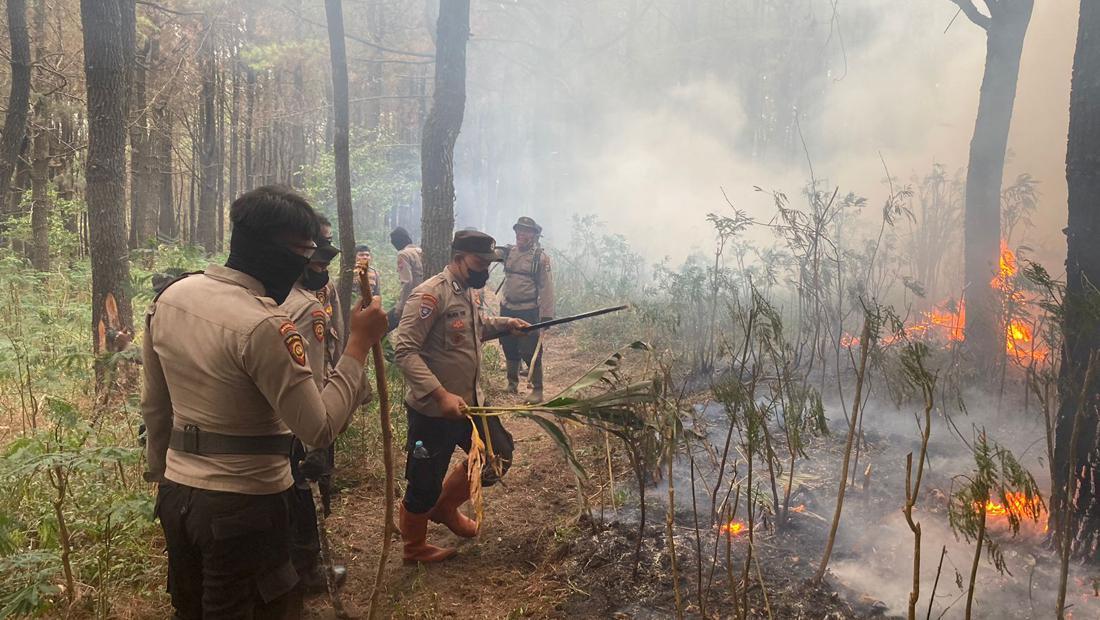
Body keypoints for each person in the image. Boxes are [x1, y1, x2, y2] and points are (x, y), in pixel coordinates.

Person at [141, 185, 388, 618]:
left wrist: (163, 474)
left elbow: (155, 405)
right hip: (245, 505)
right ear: (276, 249)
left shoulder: (173, 297)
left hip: (179, 498)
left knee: (193, 608)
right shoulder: (265, 325)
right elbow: (317, 428)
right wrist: (359, 346)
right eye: (304, 250)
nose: (309, 262)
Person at [392, 230, 529, 562]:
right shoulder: (430, 295)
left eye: (488, 265)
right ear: (457, 258)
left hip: (471, 404)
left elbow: (475, 328)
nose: (485, 270)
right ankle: (414, 548)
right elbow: (404, 350)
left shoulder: (469, 292)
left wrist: (504, 324)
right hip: (433, 411)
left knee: (498, 455)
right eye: (479, 263)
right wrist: (440, 395)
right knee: (424, 480)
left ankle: (445, 507)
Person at [280, 234, 347, 593]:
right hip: (301, 422)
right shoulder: (306, 307)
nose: (323, 272)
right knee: (302, 497)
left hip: (278, 420)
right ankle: (307, 573)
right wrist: (316, 441)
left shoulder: (272, 295)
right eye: (319, 265)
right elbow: (312, 373)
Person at [499, 216, 555, 404]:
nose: (520, 234)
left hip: (528, 310)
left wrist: (547, 315)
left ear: (534, 235)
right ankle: (512, 383)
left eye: (525, 231)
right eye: (518, 230)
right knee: (508, 345)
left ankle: (537, 390)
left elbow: (546, 288)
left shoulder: (540, 258)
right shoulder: (509, 252)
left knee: (529, 350)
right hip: (507, 308)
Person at [390, 226, 424, 329]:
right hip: (427, 298)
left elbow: (407, 282)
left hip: (413, 301)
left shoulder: (403, 254)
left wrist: (400, 307)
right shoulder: (420, 251)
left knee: (380, 327)